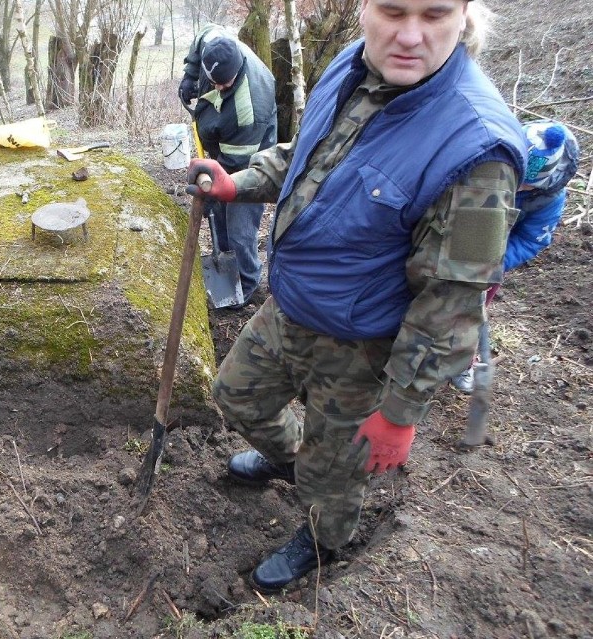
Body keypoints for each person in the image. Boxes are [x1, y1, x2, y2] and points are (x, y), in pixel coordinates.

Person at [186, 0, 528, 594]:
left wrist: (400, 413)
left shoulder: (478, 151)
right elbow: (309, 158)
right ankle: (289, 456)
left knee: (334, 477)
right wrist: (237, 182)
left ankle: (323, 540)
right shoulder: (350, 67)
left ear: (465, 15)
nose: (411, 35)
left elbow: (451, 302)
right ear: (366, 9)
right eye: (393, 11)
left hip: (362, 345)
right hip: (292, 305)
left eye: (435, 14)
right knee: (235, 396)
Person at [452, 120, 580, 392]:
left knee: (470, 313)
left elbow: (531, 239)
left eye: (527, 187)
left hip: (489, 261)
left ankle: (462, 362)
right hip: (450, 239)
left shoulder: (549, 199)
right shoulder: (482, 160)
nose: (519, 189)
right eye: (516, 182)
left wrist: (494, 263)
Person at [179, 25, 277, 306]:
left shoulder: (250, 108)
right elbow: (202, 35)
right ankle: (224, 259)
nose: (218, 87)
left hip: (249, 154)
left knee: (239, 221)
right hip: (224, 139)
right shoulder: (215, 44)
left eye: (225, 84)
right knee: (220, 214)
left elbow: (234, 168)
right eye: (213, 81)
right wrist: (190, 74)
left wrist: (214, 191)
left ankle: (246, 283)